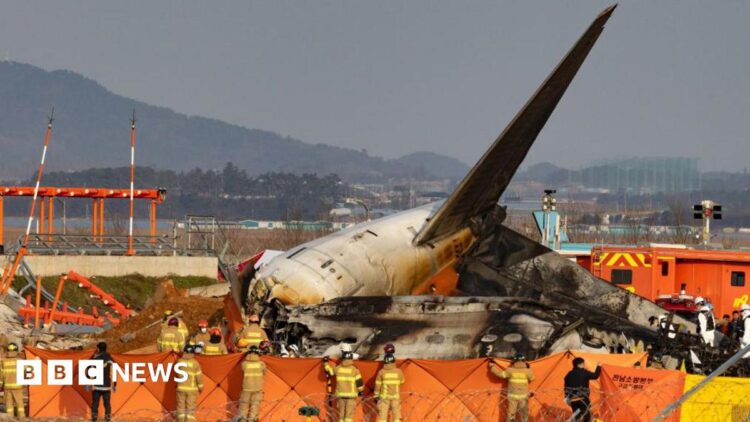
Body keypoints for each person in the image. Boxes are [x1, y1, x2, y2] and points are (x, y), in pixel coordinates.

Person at [489, 353, 534, 422]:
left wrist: (492, 367)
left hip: (512, 396)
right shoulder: (527, 371)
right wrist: (529, 368)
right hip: (523, 397)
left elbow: (501, 375)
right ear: (524, 361)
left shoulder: (510, 370)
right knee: (524, 415)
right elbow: (532, 378)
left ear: (514, 361)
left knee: (511, 415)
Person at [324, 351, 364, 422]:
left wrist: (325, 362)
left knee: (341, 415)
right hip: (351, 397)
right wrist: (360, 391)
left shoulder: (338, 368)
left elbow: (329, 371)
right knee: (349, 416)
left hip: (341, 395)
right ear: (351, 359)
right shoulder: (355, 370)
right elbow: (359, 383)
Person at [564, 357, 601, 422]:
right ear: (580, 364)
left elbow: (566, 388)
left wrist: (567, 398)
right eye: (583, 363)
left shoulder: (568, 374)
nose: (584, 365)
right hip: (583, 399)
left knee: (577, 417)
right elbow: (595, 376)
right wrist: (598, 366)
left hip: (573, 399)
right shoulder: (584, 372)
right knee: (586, 416)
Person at [176, 344, 203, 422]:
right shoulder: (195, 363)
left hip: (180, 388)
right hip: (191, 389)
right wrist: (201, 387)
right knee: (190, 408)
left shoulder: (179, 361)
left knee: (180, 408)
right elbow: (199, 377)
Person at [238, 346, 266, 422]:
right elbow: (264, 372)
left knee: (243, 407)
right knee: (254, 407)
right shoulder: (262, 364)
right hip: (258, 388)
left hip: (246, 388)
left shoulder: (244, 364)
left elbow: (241, 370)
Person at [374, 353, 405, 422]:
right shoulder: (398, 371)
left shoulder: (381, 372)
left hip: (384, 397)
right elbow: (402, 381)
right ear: (394, 361)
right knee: (396, 414)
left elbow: (377, 385)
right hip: (395, 397)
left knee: (382, 415)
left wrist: (376, 396)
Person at [90, 342, 116, 422]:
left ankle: (94, 419)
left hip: (96, 385)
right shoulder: (109, 358)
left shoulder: (94, 358)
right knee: (107, 403)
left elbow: (89, 369)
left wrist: (89, 382)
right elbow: (114, 370)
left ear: (98, 348)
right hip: (106, 385)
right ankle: (107, 419)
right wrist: (114, 384)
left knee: (95, 403)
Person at [0, 343, 24, 419]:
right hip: (17, 387)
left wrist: (0, 386)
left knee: (9, 404)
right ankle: (21, 417)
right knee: (19, 403)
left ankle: (10, 418)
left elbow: (1, 376)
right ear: (16, 351)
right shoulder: (20, 361)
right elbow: (28, 370)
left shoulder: (3, 362)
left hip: (7, 387)